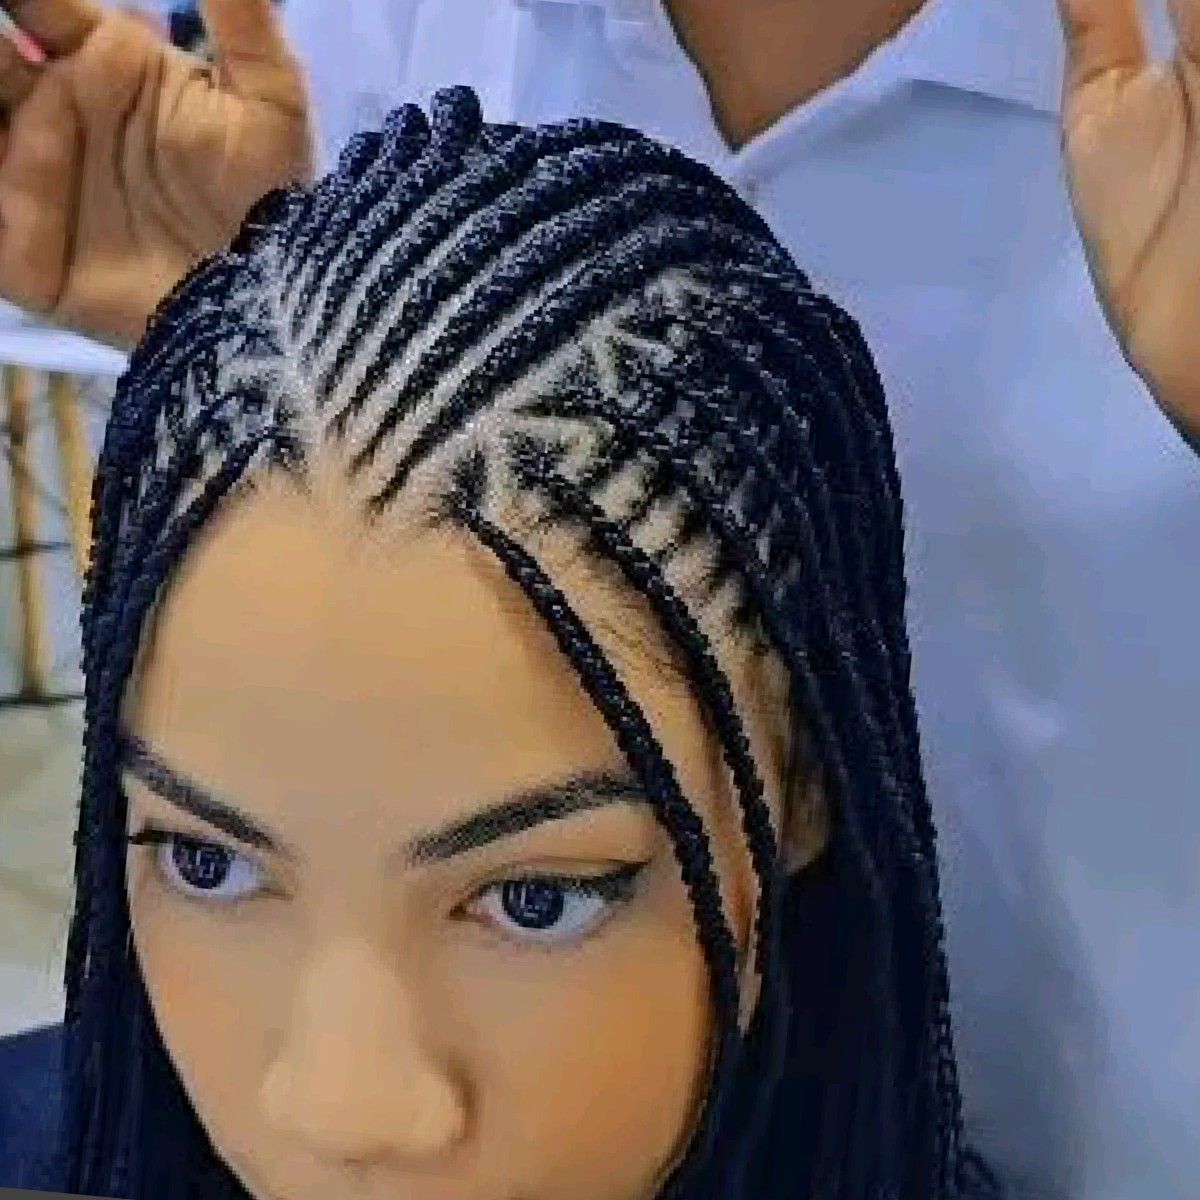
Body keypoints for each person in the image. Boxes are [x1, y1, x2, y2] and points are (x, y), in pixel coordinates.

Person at [0, 1, 1196, 1196]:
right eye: (205, 865)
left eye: (535, 898)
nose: (345, 1108)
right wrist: (283, 326)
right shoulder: (358, 36)